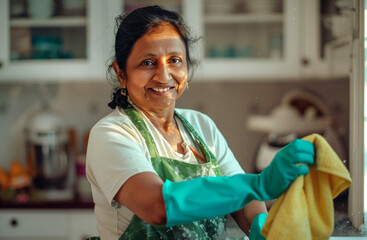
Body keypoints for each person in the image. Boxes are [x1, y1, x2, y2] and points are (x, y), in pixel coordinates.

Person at [86, 5, 315, 240]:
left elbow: (243, 199)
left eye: (174, 60)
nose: (164, 76)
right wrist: (259, 184)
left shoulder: (201, 125)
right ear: (121, 74)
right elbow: (156, 205)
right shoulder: (111, 134)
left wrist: (263, 228)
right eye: (148, 63)